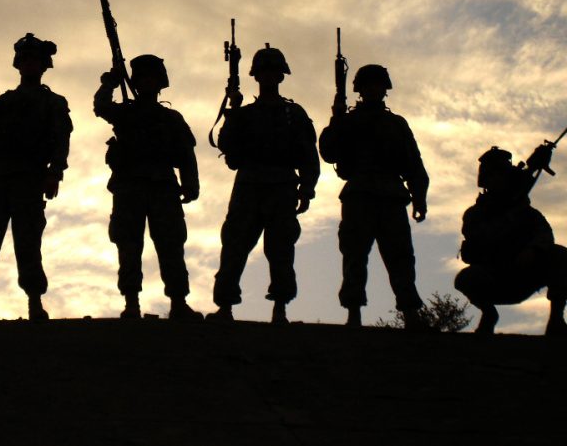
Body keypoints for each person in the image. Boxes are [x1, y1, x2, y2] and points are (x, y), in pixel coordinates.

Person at [0, 33, 72, 321]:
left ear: (44, 66)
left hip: (30, 176)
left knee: (28, 239)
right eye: (26, 60)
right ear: (19, 64)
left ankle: (34, 301)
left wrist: (55, 172)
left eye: (36, 60)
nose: (30, 65)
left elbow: (60, 139)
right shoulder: (4, 102)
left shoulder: (52, 102)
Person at [207, 46, 320, 324]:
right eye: (264, 72)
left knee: (281, 250)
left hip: (282, 187)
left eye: (274, 72)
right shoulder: (243, 114)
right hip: (248, 185)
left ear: (281, 77)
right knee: (234, 246)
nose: (269, 77)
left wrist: (306, 188)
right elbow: (226, 146)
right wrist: (232, 108)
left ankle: (280, 307)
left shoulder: (294, 113)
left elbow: (308, 154)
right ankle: (225, 306)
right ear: (256, 76)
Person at [319, 64, 428, 329]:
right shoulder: (348, 121)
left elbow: (414, 163)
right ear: (359, 89)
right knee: (355, 255)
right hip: (359, 195)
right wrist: (336, 119)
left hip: (391, 195)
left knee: (401, 257)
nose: (373, 90)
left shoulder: (396, 124)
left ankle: (411, 314)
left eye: (377, 85)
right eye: (368, 85)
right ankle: (353, 313)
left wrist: (419, 197)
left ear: (385, 89)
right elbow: (329, 153)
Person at [94, 54, 202, 320]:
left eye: (152, 78)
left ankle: (178, 302)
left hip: (164, 187)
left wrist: (190, 183)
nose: (147, 82)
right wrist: (110, 81)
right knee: (128, 244)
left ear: (160, 82)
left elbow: (186, 153)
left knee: (171, 244)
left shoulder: (171, 118)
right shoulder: (126, 113)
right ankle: (132, 303)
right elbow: (101, 106)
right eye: (142, 78)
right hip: (129, 186)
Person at [455, 146, 567, 335]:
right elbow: (483, 237)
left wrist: (533, 250)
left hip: (526, 275)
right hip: (496, 278)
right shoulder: (475, 215)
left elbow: (545, 236)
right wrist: (513, 207)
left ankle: (556, 320)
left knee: (560, 255)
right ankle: (489, 315)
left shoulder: (528, 213)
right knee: (466, 278)